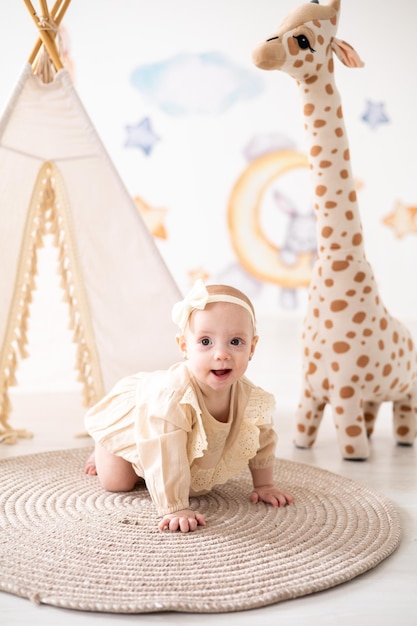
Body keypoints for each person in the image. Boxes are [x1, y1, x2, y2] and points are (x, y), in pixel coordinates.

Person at [84, 279, 293, 532]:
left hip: (166, 435)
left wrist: (264, 485)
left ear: (252, 347)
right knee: (118, 482)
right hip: (142, 421)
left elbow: (262, 438)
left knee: (191, 481)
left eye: (235, 342)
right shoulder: (173, 397)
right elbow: (165, 450)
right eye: (206, 342)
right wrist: (175, 506)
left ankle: (142, 468)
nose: (221, 354)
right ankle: (107, 444)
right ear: (184, 346)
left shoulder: (249, 396)